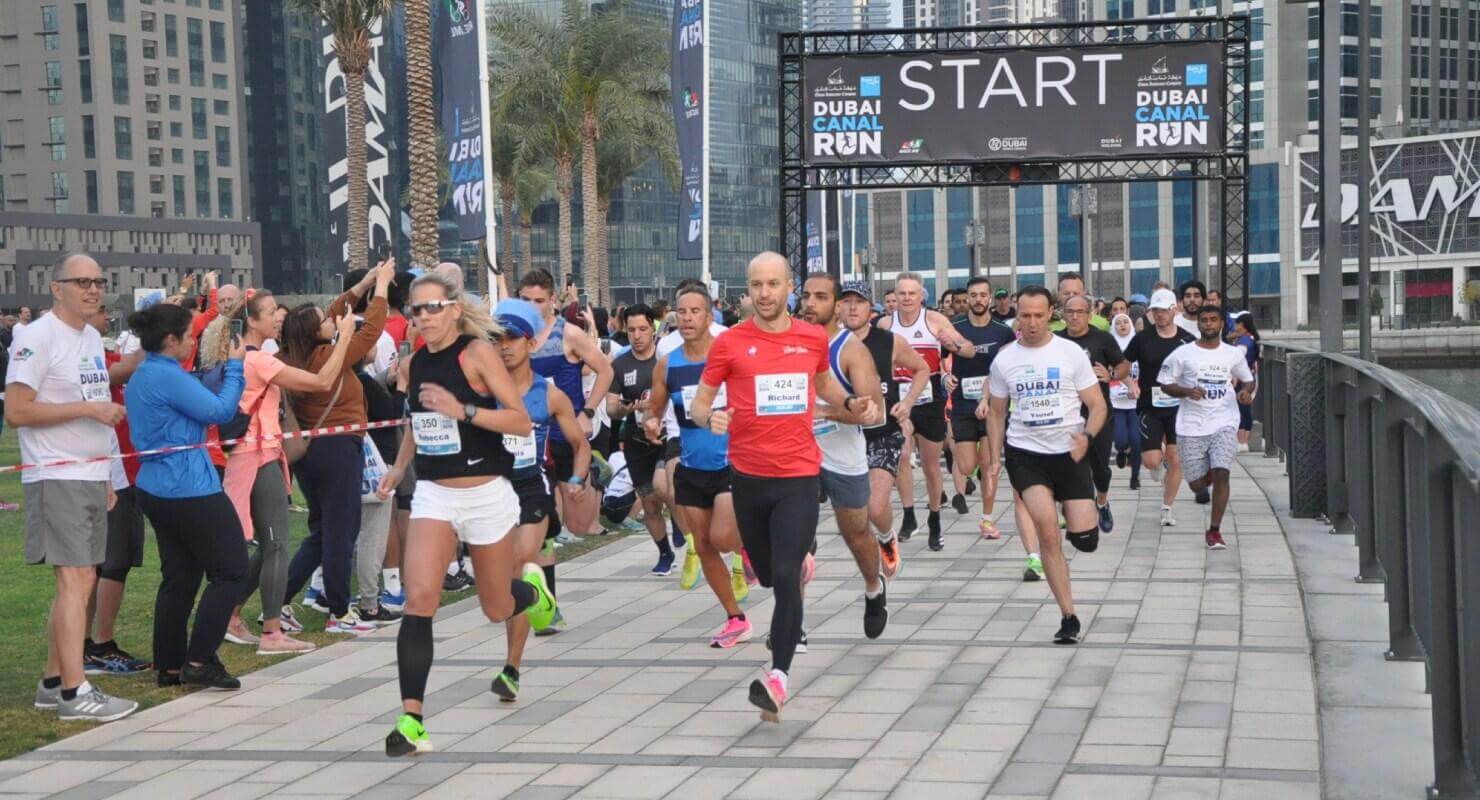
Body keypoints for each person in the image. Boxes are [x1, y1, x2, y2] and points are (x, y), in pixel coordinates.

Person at [690, 252, 875, 722]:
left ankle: (777, 679)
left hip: (798, 474)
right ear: (746, 290)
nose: (765, 293)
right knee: (770, 575)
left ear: (789, 286)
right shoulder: (730, 343)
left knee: (786, 577)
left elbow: (825, 387)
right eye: (757, 285)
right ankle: (789, 562)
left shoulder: (811, 337)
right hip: (749, 477)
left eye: (774, 284)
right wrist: (711, 417)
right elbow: (700, 404)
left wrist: (852, 401)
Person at [377, 272, 556, 757]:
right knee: (419, 601)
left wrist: (467, 412)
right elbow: (418, 422)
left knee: (496, 606)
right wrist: (398, 468)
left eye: (433, 307)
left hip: (486, 494)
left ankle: (530, 590)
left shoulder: (477, 354)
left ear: (455, 309)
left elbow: (520, 420)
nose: (424, 317)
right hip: (435, 493)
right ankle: (412, 719)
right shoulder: (412, 363)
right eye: (416, 310)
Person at [8, 254, 139, 721]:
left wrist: (105, 472)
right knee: (76, 579)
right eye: (81, 281)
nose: (93, 289)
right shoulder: (36, 337)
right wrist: (87, 414)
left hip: (88, 473)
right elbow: (17, 411)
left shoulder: (88, 338)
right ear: (55, 287)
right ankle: (74, 692)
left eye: (99, 281)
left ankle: (52, 682)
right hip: (56, 471)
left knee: (79, 582)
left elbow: (96, 403)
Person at [203, 292, 353, 652]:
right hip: (257, 455)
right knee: (276, 545)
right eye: (270, 312)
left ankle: (233, 616)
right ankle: (271, 631)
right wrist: (344, 336)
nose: (278, 317)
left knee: (266, 546)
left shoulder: (250, 358)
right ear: (251, 321)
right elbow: (321, 382)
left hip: (254, 455)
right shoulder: (259, 361)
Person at [125, 301, 251, 690]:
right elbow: (219, 411)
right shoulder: (166, 375)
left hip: (156, 487)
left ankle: (171, 665)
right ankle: (198, 658)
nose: (193, 339)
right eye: (189, 335)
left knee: (179, 577)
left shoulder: (146, 374)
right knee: (232, 569)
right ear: (170, 340)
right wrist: (235, 367)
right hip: (189, 488)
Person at [982, 285, 1107, 645]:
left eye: (1039, 315)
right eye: (1025, 316)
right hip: (1026, 455)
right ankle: (1068, 616)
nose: (1032, 323)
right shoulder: (1005, 360)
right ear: (1016, 317)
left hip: (1069, 453)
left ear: (1051, 313)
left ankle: (1087, 523)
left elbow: (1097, 406)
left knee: (1084, 541)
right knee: (1048, 533)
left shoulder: (1070, 353)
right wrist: (994, 458)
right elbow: (996, 412)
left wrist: (1088, 436)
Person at [278, 258, 395, 633]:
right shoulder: (332, 353)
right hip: (338, 449)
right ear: (315, 333)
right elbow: (372, 328)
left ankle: (278, 600)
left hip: (309, 454)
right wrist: (381, 289)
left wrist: (361, 287)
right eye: (325, 321)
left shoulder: (292, 357)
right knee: (342, 531)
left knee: (322, 532)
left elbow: (330, 312)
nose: (333, 319)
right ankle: (340, 612)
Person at [490, 298, 590, 701]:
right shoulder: (482, 393)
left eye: (512, 338)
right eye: (496, 339)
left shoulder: (549, 396)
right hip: (491, 492)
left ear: (531, 344)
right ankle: (536, 593)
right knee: (500, 585)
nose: (503, 346)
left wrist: (576, 478)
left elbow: (580, 444)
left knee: (519, 564)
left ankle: (511, 669)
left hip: (533, 488)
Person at [645, 284, 752, 648]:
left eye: (695, 312)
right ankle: (735, 617)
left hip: (730, 463)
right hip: (691, 466)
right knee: (704, 544)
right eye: (682, 312)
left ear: (710, 316)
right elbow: (656, 407)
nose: (688, 318)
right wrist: (650, 422)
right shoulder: (668, 364)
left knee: (723, 537)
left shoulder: (729, 357)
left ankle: (751, 547)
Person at [799, 273, 889, 638]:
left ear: (836, 305)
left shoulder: (851, 350)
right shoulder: (790, 341)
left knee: (856, 533)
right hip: (797, 455)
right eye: (805, 295)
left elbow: (876, 412)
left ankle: (873, 586)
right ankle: (794, 625)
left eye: (820, 297)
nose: (809, 303)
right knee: (797, 537)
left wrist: (826, 412)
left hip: (842, 454)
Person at [517, 269, 611, 588]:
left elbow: (605, 370)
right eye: (525, 300)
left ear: (552, 300)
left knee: (580, 523)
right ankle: (544, 600)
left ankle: (595, 476)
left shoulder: (568, 334)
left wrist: (586, 411)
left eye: (539, 301)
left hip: (567, 435)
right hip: (530, 441)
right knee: (537, 519)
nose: (532, 307)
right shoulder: (511, 337)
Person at [876, 273, 982, 551]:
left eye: (913, 293)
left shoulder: (934, 321)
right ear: (894, 298)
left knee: (931, 465)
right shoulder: (886, 324)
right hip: (898, 398)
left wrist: (953, 344)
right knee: (901, 457)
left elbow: (969, 351)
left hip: (930, 399)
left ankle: (935, 518)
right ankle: (909, 515)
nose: (907, 299)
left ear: (922, 295)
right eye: (902, 294)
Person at [840, 281, 927, 580]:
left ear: (870, 308)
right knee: (853, 516)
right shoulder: (828, 343)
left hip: (882, 433)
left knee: (876, 508)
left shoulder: (889, 341)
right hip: (842, 435)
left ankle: (887, 537)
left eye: (859, 302)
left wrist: (909, 402)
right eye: (847, 301)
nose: (852, 307)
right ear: (838, 307)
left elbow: (922, 368)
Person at [81, 306, 149, 675]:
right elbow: (127, 368)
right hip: (109, 470)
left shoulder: (96, 352)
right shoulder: (85, 358)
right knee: (113, 560)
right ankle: (98, 644)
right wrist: (155, 334)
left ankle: (89, 645)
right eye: (100, 311)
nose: (107, 316)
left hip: (121, 468)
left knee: (104, 562)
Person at [1156, 305, 1256, 550]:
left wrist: (1245, 392)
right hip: (1191, 425)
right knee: (1197, 485)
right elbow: (1165, 383)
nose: (1209, 324)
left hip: (1224, 420)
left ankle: (1214, 531)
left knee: (1223, 473)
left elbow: (1248, 380)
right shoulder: (1182, 353)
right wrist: (1187, 391)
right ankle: (1206, 475)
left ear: (1222, 323)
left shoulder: (1232, 354)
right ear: (1198, 324)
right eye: (1204, 320)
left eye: (1213, 320)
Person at [943, 277, 1016, 539]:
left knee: (988, 464)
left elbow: (1007, 367)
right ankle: (972, 486)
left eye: (983, 295)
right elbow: (941, 359)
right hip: (962, 404)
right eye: (973, 295)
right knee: (965, 466)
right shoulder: (954, 327)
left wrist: (994, 394)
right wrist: (944, 377)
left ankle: (987, 519)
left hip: (993, 407)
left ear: (990, 299)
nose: (978, 300)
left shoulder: (1002, 331)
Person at [607, 305, 674, 574]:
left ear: (653, 330)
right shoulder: (620, 365)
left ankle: (683, 528)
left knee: (663, 486)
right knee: (649, 503)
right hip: (636, 440)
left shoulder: (665, 360)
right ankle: (665, 552)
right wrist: (625, 408)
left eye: (643, 329)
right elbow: (611, 407)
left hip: (666, 436)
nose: (637, 335)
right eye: (631, 330)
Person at [1055, 294, 1129, 534]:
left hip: (1098, 413)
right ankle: (1077, 510)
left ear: (1090, 315)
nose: (1074, 317)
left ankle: (1102, 502)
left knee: (1100, 470)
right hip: (1067, 414)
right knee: (1072, 465)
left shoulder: (1102, 339)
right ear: (1062, 314)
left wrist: (1113, 375)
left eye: (1080, 312)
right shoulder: (1056, 341)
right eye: (1070, 312)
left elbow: (1123, 364)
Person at [1123, 288, 1196, 526]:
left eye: (1165, 310)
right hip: (1150, 405)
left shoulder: (1187, 340)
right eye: (1156, 311)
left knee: (1176, 458)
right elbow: (1123, 365)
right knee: (1152, 461)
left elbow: (1197, 369)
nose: (1161, 315)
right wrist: (1129, 383)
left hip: (1179, 406)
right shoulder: (1142, 339)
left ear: (1174, 310)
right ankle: (1157, 467)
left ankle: (1167, 507)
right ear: (1151, 313)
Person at [1109, 313, 1143, 489]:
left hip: (1135, 402)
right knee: (1121, 440)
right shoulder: (1110, 346)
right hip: (1116, 401)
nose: (1122, 325)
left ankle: (1135, 477)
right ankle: (1122, 451)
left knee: (1137, 441)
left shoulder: (1138, 344)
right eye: (1118, 323)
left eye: (1125, 322)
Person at [1230, 312, 1260, 450]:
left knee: (1240, 408)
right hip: (1251, 377)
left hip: (1241, 379)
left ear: (1242, 324)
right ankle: (1244, 442)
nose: (1234, 326)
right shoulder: (1251, 338)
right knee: (1246, 409)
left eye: (1236, 323)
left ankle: (1241, 442)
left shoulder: (1243, 342)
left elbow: (1236, 360)